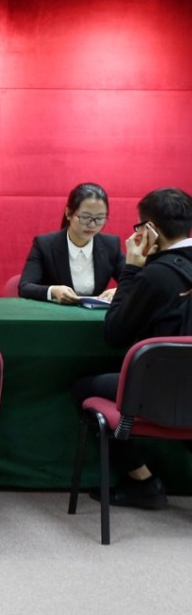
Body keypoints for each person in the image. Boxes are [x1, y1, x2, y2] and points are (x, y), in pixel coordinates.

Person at [72, 187, 192, 510]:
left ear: (150, 230)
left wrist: (132, 270)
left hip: (160, 394)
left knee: (82, 387)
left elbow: (114, 332)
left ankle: (142, 481)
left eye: (139, 226)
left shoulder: (156, 275)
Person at [18, 182, 123, 303]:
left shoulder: (111, 245)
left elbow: (134, 283)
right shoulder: (45, 244)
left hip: (95, 318)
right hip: (55, 316)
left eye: (100, 218)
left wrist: (120, 290)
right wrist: (53, 291)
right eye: (85, 217)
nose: (92, 224)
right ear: (68, 213)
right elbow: (25, 287)